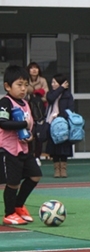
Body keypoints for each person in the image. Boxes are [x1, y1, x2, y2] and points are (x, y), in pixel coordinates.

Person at [0, 65, 42, 225]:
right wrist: (23, 124)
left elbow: (30, 125)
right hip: (9, 150)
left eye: (25, 85)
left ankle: (18, 205)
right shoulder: (5, 102)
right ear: (7, 86)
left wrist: (30, 136)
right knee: (13, 182)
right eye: (19, 85)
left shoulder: (25, 103)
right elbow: (3, 123)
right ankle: (9, 213)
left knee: (35, 175)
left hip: (23, 149)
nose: (23, 88)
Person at [45, 74, 74, 178]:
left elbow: (70, 110)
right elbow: (51, 99)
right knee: (54, 148)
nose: (52, 84)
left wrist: (59, 115)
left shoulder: (68, 95)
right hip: (52, 123)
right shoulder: (50, 93)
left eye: (54, 82)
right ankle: (57, 170)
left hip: (64, 124)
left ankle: (63, 169)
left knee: (64, 147)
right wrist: (60, 88)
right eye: (52, 82)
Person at [26, 62, 48, 161]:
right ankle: (30, 155)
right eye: (32, 68)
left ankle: (37, 156)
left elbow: (46, 96)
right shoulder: (25, 80)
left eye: (36, 68)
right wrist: (32, 96)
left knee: (39, 134)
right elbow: (23, 95)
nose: (34, 70)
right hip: (28, 110)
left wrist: (37, 96)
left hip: (39, 111)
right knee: (29, 133)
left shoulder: (42, 81)